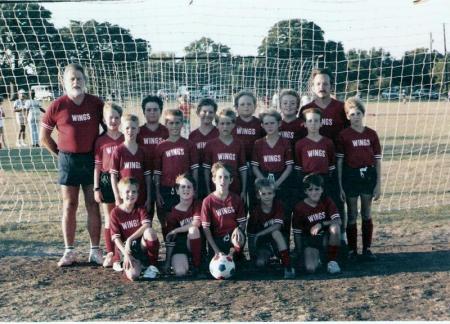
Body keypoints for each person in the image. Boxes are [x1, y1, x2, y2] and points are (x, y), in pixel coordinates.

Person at [40, 63, 104, 267]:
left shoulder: (96, 103)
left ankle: (95, 250)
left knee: (93, 204)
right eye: (72, 79)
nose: (76, 82)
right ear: (64, 82)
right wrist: (60, 154)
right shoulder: (57, 105)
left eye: (79, 78)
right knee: (69, 205)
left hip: (91, 160)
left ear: (85, 80)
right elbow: (44, 137)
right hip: (68, 160)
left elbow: (109, 129)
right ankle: (69, 251)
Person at [336, 97, 382, 261]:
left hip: (368, 176)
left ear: (363, 114)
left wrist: (378, 184)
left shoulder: (371, 134)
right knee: (352, 214)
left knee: (367, 213)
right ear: (347, 116)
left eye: (358, 113)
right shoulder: (343, 135)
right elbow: (340, 161)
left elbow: (377, 161)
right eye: (351, 114)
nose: (355, 116)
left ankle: (367, 249)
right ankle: (352, 250)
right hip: (351, 176)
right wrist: (340, 185)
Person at [294, 108, 342, 240]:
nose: (313, 124)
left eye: (316, 121)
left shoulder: (328, 142)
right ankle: (307, 239)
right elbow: (298, 167)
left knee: (326, 208)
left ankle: (333, 239)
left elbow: (331, 165)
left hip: (324, 180)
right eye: (310, 121)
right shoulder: (300, 144)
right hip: (307, 180)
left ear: (321, 123)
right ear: (304, 124)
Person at [154, 109, 199, 239]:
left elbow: (194, 169)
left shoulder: (189, 145)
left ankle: (185, 247)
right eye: (171, 123)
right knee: (167, 220)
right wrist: (157, 193)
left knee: (186, 218)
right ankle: (169, 247)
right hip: (166, 189)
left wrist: (194, 188)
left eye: (177, 123)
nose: (174, 126)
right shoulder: (161, 146)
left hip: (185, 189)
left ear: (182, 124)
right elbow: (157, 173)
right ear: (166, 124)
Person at [251, 109, 294, 245]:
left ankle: (285, 246)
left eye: (272, 123)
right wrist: (264, 183)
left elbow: (289, 167)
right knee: (264, 213)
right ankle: (264, 245)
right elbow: (254, 166)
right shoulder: (258, 143)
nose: (269, 126)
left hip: (282, 182)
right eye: (266, 123)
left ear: (279, 124)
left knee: (284, 213)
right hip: (264, 181)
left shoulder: (285, 142)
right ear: (262, 126)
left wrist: (277, 184)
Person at [110, 177, 160, 281]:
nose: (131, 194)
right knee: (133, 276)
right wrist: (126, 254)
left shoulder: (140, 209)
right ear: (121, 194)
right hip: (126, 250)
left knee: (150, 232)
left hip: (140, 246)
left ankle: (152, 266)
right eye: (127, 192)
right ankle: (138, 265)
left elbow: (147, 225)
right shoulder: (115, 212)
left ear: (137, 194)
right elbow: (116, 239)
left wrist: (130, 239)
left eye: (134, 192)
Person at [93, 102, 124, 268]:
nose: (113, 120)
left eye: (116, 117)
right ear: (104, 120)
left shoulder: (125, 137)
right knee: (109, 217)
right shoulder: (100, 141)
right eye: (110, 117)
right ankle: (111, 252)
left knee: (124, 216)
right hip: (106, 180)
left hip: (123, 180)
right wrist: (96, 188)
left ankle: (123, 252)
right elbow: (97, 166)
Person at [292, 174, 342, 274]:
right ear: (305, 191)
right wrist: (299, 251)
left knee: (335, 228)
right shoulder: (299, 207)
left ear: (322, 189)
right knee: (310, 268)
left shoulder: (327, 201)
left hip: (326, 240)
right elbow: (297, 232)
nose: (314, 192)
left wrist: (321, 224)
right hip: (311, 242)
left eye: (317, 189)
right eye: (310, 190)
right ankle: (320, 259)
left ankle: (332, 261)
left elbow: (338, 221)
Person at [247, 178, 295, 279]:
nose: (267, 196)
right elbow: (251, 234)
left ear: (274, 194)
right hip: (264, 243)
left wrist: (260, 233)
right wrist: (253, 257)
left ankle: (287, 265)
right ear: (258, 196)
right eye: (263, 194)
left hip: (278, 242)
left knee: (276, 232)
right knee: (260, 263)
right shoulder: (255, 211)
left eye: (269, 193)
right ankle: (268, 259)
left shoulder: (279, 205)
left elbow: (277, 226)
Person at [201, 162, 246, 261]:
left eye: (226, 177)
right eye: (219, 177)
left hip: (232, 238)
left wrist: (238, 228)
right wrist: (216, 251)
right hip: (217, 240)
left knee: (238, 236)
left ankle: (236, 255)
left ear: (231, 180)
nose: (223, 180)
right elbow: (206, 229)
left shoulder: (236, 199)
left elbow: (242, 222)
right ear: (213, 179)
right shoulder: (208, 201)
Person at [203, 108, 247, 201]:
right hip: (216, 188)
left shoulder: (239, 144)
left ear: (233, 125)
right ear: (217, 125)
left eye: (228, 123)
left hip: (235, 187)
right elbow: (207, 169)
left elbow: (242, 169)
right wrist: (207, 188)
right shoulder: (210, 144)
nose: (225, 127)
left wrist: (243, 190)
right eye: (222, 124)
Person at [163, 174, 203, 276]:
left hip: (195, 244)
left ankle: (197, 265)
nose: (186, 190)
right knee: (180, 272)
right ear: (177, 190)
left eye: (189, 187)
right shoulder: (172, 213)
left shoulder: (198, 204)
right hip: (180, 247)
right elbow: (170, 240)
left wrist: (176, 230)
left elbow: (196, 223)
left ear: (194, 191)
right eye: (183, 187)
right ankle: (186, 261)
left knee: (193, 230)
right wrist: (167, 262)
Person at [136, 95, 169, 219]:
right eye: (149, 110)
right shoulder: (138, 132)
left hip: (163, 179)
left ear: (160, 111)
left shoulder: (167, 131)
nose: (152, 112)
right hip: (143, 179)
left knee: (164, 215)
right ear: (143, 112)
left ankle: (168, 238)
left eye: (155, 109)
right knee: (145, 215)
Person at [232, 90, 265, 208]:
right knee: (239, 196)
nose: (246, 107)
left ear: (255, 106)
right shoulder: (232, 123)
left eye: (249, 104)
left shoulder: (259, 124)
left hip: (255, 165)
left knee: (255, 196)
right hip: (236, 165)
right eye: (242, 104)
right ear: (236, 107)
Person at [299, 68, 349, 144]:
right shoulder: (305, 109)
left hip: (338, 154)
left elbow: (350, 134)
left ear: (331, 86)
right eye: (318, 84)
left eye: (325, 84)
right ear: (313, 87)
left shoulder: (342, 108)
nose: (321, 87)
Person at [188, 98, 219, 200]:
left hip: (216, 176)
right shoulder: (193, 135)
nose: (207, 114)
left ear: (215, 114)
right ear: (198, 113)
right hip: (198, 176)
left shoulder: (219, 133)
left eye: (211, 112)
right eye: (204, 111)